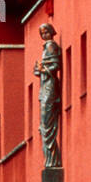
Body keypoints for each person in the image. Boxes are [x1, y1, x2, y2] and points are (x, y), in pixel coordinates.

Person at [33, 22, 62, 168]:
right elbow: (44, 68)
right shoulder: (45, 48)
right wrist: (38, 70)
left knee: (47, 124)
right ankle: (50, 159)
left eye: (46, 32)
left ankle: (53, 160)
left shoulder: (51, 46)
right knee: (44, 124)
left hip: (50, 88)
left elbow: (55, 66)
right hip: (44, 87)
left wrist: (42, 70)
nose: (44, 35)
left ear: (51, 32)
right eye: (42, 33)